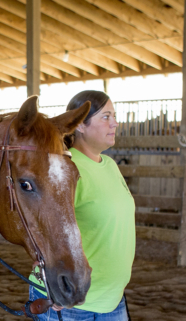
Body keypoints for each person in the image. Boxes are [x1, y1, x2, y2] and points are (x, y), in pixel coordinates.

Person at [29, 90, 134, 321]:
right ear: (80, 125)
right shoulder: (65, 169)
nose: (114, 123)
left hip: (112, 300)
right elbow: (39, 225)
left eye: (114, 116)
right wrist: (52, 282)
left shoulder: (110, 165)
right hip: (70, 303)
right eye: (106, 117)